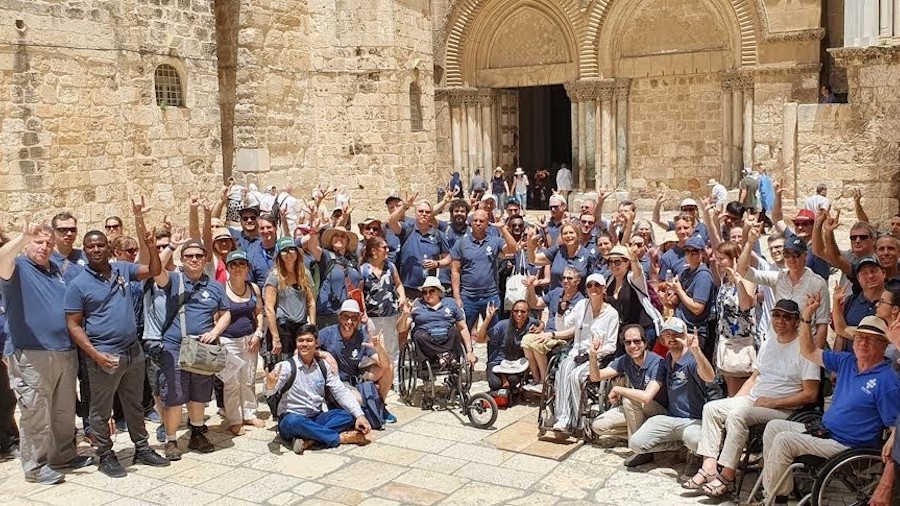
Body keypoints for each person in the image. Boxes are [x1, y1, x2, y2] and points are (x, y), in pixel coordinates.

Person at [753, 298, 900, 506]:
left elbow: (897, 427)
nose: (863, 343)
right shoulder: (848, 361)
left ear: (884, 345)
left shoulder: (887, 380)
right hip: (825, 431)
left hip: (848, 447)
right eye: (859, 338)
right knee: (774, 427)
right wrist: (806, 319)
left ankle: (775, 500)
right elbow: (809, 351)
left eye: (871, 339)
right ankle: (778, 494)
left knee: (784, 440)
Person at [685, 299, 820, 498]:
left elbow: (810, 393)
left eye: (787, 317)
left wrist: (774, 402)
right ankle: (710, 467)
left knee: (738, 415)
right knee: (712, 409)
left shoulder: (804, 348)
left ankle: (728, 476)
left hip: (785, 408)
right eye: (776, 315)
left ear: (797, 321)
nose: (780, 321)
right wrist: (734, 400)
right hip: (755, 400)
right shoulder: (768, 343)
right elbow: (755, 377)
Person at [63, 228, 169, 477]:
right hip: (104, 355)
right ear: (86, 250)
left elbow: (153, 271)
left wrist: (152, 247)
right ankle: (106, 455)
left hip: (132, 352)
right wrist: (95, 354)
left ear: (108, 248)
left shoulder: (122, 269)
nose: (96, 249)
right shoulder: (79, 284)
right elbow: (73, 324)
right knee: (100, 409)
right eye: (91, 246)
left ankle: (141, 448)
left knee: (134, 404)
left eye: (100, 245)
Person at [1, 221, 93, 485]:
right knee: (35, 411)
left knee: (63, 411)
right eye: (38, 242)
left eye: (48, 244)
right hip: (31, 353)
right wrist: (21, 236)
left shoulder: (57, 271)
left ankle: (64, 455)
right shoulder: (16, 267)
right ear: (28, 243)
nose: (44, 247)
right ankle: (35, 466)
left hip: (64, 351)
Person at [152, 240, 231, 461]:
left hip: (202, 348)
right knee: (174, 395)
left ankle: (197, 432)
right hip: (175, 347)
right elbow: (155, 270)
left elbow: (226, 313)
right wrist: (171, 247)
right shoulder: (174, 280)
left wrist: (215, 331)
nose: (194, 259)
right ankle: (171, 440)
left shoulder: (214, 286)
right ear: (182, 259)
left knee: (199, 393)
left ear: (205, 258)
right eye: (189, 256)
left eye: (198, 255)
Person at [265, 324, 371, 454]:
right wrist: (270, 385)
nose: (304, 344)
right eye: (300, 340)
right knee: (294, 422)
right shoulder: (286, 367)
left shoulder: (323, 366)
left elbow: (341, 392)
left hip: (315, 416)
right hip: (292, 417)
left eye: (309, 340)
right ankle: (338, 438)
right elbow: (270, 392)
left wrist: (360, 416)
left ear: (316, 343)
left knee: (348, 415)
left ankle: (309, 439)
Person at [627, 318, 715, 468]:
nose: (672, 338)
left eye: (677, 334)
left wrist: (697, 351)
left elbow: (709, 376)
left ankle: (695, 452)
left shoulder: (693, 359)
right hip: (671, 418)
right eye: (667, 334)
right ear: (662, 338)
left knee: (693, 438)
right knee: (636, 444)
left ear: (685, 335)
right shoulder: (667, 359)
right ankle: (681, 447)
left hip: (694, 421)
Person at [546, 273, 620, 433]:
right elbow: (563, 327)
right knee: (562, 371)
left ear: (604, 289)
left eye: (597, 285)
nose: (593, 288)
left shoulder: (612, 314)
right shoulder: (581, 305)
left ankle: (575, 420)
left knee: (576, 376)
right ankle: (562, 418)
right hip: (576, 353)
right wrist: (559, 313)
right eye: (590, 285)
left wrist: (592, 353)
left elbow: (611, 345)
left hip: (596, 357)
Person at [738, 227, 830, 347]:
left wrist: (815, 356)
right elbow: (742, 270)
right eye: (787, 254)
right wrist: (750, 242)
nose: (791, 259)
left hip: (804, 345)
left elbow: (822, 324)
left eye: (796, 254)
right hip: (778, 344)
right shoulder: (778, 278)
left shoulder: (818, 283)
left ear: (805, 256)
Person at [589, 325, 668, 446]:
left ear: (645, 343)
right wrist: (593, 356)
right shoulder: (625, 360)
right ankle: (642, 439)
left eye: (637, 341)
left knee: (629, 400)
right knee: (599, 426)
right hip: (637, 410)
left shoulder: (657, 362)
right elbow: (596, 377)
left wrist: (618, 389)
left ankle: (639, 448)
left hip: (659, 412)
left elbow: (647, 397)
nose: (632, 346)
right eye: (628, 342)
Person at [317, 300, 393, 424]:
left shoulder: (362, 335)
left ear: (358, 319)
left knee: (389, 368)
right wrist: (323, 354)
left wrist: (379, 348)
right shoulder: (328, 333)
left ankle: (380, 407)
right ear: (339, 317)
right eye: (346, 317)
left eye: (354, 318)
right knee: (357, 401)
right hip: (337, 381)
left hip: (355, 376)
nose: (349, 322)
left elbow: (385, 364)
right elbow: (303, 351)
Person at [219, 250, 266, 435]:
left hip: (249, 339)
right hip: (228, 340)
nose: (238, 268)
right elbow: (216, 317)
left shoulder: (253, 288)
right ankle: (234, 418)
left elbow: (259, 312)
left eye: (241, 264)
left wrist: (258, 333)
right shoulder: (221, 289)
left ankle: (249, 413)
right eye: (234, 264)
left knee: (248, 379)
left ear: (247, 267)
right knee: (232, 381)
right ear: (228, 268)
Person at [450, 210, 518, 331]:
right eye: (475, 220)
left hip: (490, 296)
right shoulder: (461, 243)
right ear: (470, 223)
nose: (478, 223)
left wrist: (503, 229)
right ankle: (468, 351)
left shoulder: (494, 241)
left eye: (482, 221)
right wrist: (456, 297)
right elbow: (455, 271)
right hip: (468, 297)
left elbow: (513, 248)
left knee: (494, 334)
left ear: (487, 224)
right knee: (463, 332)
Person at [522, 266, 585, 389]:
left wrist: (552, 335)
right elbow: (535, 304)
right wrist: (531, 288)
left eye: (569, 278)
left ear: (577, 281)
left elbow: (576, 329)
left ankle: (543, 382)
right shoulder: (556, 292)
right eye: (564, 278)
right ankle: (535, 378)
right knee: (526, 340)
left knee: (537, 345)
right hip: (547, 334)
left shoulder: (581, 301)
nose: (565, 281)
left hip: (563, 337)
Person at [397, 276, 476, 367]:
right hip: (426, 338)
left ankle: (445, 355)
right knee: (418, 335)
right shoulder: (417, 304)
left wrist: (469, 351)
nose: (428, 295)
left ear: (439, 291)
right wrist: (405, 315)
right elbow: (400, 329)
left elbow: (463, 327)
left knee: (454, 331)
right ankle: (442, 355)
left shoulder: (450, 303)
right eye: (424, 292)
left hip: (446, 335)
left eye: (431, 291)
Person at [711, 242, 758, 395]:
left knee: (744, 393)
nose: (718, 262)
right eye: (717, 258)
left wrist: (739, 281)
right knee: (731, 393)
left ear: (734, 259)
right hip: (726, 341)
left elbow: (745, 305)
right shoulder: (724, 280)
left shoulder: (748, 279)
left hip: (742, 343)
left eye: (722, 259)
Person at [264, 237, 316, 370]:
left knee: (301, 366)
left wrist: (312, 328)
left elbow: (311, 302)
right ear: (279, 254)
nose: (288, 253)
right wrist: (275, 338)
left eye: (291, 249)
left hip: (301, 327)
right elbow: (269, 308)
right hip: (282, 328)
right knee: (280, 369)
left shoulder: (305, 274)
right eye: (284, 250)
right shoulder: (275, 276)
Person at [604, 244, 663, 353]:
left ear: (627, 263)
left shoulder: (632, 278)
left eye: (617, 262)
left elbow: (638, 272)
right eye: (610, 262)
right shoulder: (609, 281)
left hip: (644, 329)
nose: (613, 265)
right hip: (625, 333)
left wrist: (634, 259)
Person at [478, 300, 541, 400]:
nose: (519, 314)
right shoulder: (502, 325)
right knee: (495, 383)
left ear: (528, 313)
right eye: (516, 311)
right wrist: (488, 319)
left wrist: (540, 328)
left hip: (515, 364)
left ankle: (508, 392)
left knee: (513, 380)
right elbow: (480, 339)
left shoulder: (530, 322)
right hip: (497, 363)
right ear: (512, 312)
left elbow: (540, 323)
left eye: (523, 312)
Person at [308, 226, 361, 329]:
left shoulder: (353, 261)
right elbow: (312, 247)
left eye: (343, 236)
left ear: (348, 241)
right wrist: (314, 231)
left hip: (349, 315)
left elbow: (359, 289)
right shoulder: (326, 256)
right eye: (335, 235)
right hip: (328, 315)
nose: (339, 238)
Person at [667, 236, 714, 348]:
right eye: (687, 251)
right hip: (679, 328)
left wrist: (679, 290)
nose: (690, 255)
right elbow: (676, 302)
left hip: (693, 332)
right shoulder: (685, 273)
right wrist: (665, 299)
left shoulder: (703, 276)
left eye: (694, 251)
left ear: (702, 253)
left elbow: (697, 308)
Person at [527, 222, 591, 291]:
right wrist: (530, 245)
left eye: (571, 232)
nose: (568, 235)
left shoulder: (586, 254)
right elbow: (534, 260)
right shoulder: (557, 250)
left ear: (577, 235)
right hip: (555, 297)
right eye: (565, 233)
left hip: (577, 299)